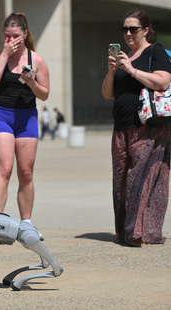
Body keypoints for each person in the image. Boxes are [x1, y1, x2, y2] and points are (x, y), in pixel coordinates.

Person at [101, 10, 171, 246]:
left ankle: (140, 232)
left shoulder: (155, 51)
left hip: (147, 126)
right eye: (125, 29)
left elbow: (162, 81)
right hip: (121, 126)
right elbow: (107, 94)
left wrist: (131, 70)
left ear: (146, 30)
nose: (128, 33)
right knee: (120, 181)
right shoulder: (124, 56)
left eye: (133, 29)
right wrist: (113, 71)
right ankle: (125, 231)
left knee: (140, 179)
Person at [0, 12, 50, 244]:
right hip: (2, 116)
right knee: (4, 169)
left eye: (15, 36)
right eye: (7, 36)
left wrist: (32, 82)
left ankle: (26, 223)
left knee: (26, 172)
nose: (11, 40)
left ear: (25, 34)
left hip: (27, 118)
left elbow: (44, 94)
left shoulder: (36, 60)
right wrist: (4, 55)